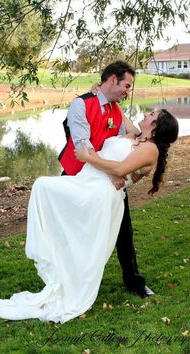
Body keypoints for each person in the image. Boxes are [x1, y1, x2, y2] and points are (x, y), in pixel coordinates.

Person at [0, 109, 179, 323]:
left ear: (157, 126)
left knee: (47, 191)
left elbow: (121, 168)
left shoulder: (150, 149)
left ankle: (75, 285)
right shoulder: (136, 135)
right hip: (88, 181)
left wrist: (88, 157)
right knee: (51, 199)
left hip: (98, 193)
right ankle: (64, 274)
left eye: (151, 114)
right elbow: (117, 111)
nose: (146, 114)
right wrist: (100, 91)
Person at [59, 60, 152, 297]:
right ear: (113, 80)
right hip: (76, 175)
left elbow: (135, 133)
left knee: (124, 230)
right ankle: (65, 280)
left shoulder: (115, 108)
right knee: (71, 231)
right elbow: (83, 148)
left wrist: (117, 171)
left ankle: (135, 282)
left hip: (109, 179)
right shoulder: (81, 104)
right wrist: (113, 173)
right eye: (127, 85)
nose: (128, 91)